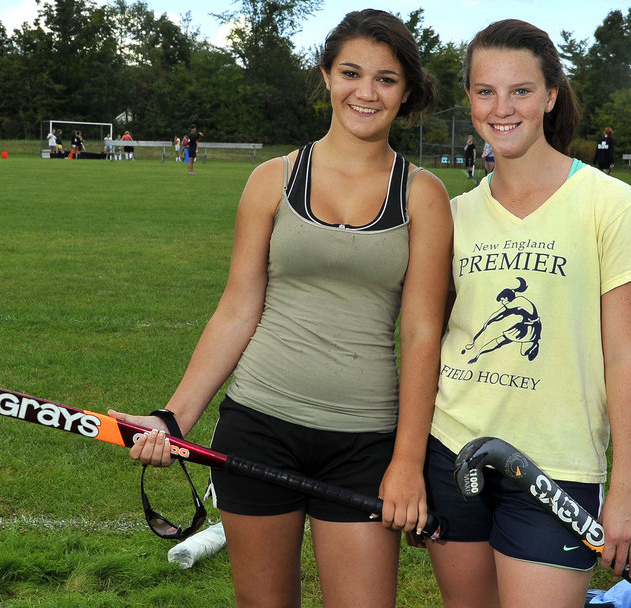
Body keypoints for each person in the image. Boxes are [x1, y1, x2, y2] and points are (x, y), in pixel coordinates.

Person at [109, 9, 451, 607]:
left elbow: (423, 334)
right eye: (350, 72)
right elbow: (238, 309)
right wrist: (174, 418)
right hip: (259, 425)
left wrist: (407, 461)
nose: (365, 92)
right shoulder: (272, 180)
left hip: (365, 440)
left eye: (386, 79)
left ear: (406, 92)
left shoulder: (423, 194)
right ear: (325, 76)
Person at [417, 19, 631, 608]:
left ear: (550, 97)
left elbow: (626, 355)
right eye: (485, 91)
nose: (502, 108)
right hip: (452, 450)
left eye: (521, 91)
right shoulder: (454, 214)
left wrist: (626, 491)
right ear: (471, 99)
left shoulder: (609, 202)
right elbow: (428, 335)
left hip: (557, 465)